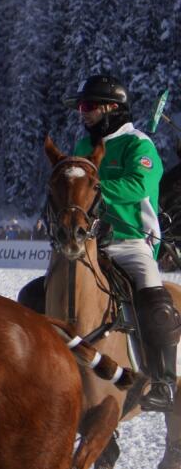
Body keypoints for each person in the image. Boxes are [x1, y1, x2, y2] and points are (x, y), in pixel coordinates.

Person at [67, 74, 177, 411]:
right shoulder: (83, 147)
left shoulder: (138, 145)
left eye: (88, 106)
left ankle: (163, 381)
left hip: (131, 242)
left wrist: (96, 189)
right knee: (38, 293)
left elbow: (139, 185)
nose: (83, 113)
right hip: (90, 243)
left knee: (157, 305)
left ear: (111, 108)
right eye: (81, 107)